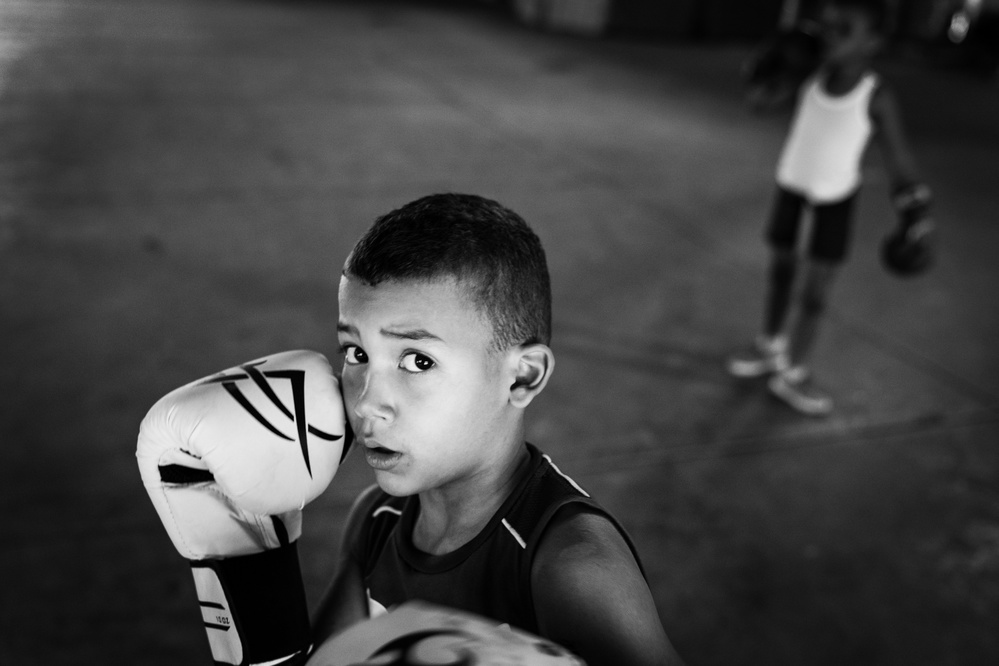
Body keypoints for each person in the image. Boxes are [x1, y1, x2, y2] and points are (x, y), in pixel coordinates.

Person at [312, 193, 685, 665]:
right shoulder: (376, 519)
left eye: (417, 360)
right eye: (356, 353)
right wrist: (250, 550)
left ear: (522, 376)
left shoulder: (573, 570)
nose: (366, 402)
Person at [728, 0, 935, 416]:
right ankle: (771, 345)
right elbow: (758, 104)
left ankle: (795, 372)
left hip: (834, 199)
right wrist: (767, 66)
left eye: (845, 29)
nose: (829, 37)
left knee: (815, 293)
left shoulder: (875, 94)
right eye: (826, 27)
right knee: (781, 272)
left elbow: (900, 159)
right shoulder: (808, 74)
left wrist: (915, 210)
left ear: (872, 41)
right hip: (792, 186)